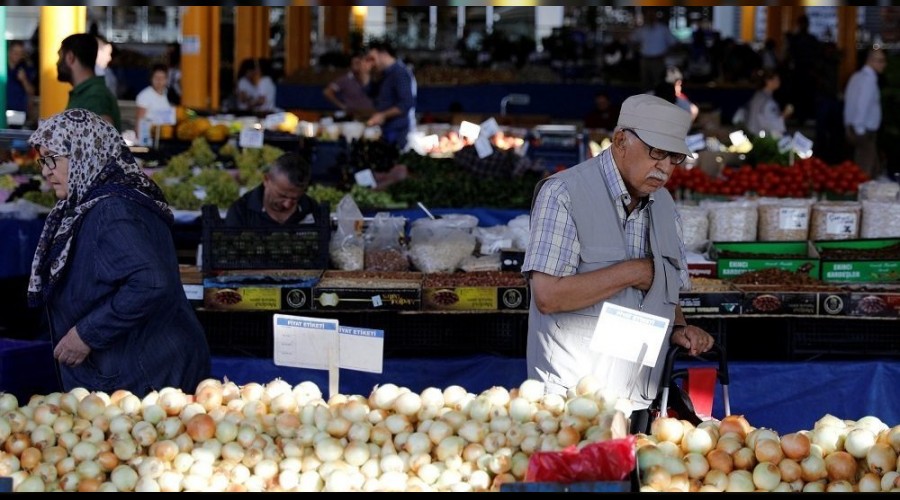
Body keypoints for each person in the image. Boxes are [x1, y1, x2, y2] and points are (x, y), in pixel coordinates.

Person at [521, 94, 715, 433]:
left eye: (674, 157)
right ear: (620, 140)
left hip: (639, 397)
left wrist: (680, 327)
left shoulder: (665, 205)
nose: (665, 167)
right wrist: (634, 271)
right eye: (656, 152)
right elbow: (548, 296)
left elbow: (666, 287)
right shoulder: (563, 193)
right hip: (572, 400)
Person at [27, 108, 210, 396]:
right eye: (43, 160)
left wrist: (85, 335)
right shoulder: (101, 201)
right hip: (138, 370)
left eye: (54, 158)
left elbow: (150, 282)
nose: (46, 169)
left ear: (83, 153)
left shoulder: (111, 210)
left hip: (146, 377)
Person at [225, 152, 323, 227]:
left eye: (295, 199)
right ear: (266, 180)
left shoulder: (312, 209)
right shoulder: (241, 212)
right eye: (282, 195)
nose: (287, 204)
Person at [56, 33, 121, 131]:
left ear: (70, 57)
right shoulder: (87, 93)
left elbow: (105, 137)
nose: (57, 63)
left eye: (60, 57)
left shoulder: (95, 96)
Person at [844, 47, 887, 180]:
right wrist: (860, 131)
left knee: (867, 168)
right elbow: (861, 106)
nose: (883, 65)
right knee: (865, 173)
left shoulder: (856, 77)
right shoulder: (868, 80)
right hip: (863, 131)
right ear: (871, 61)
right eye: (880, 61)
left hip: (853, 128)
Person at [366, 39, 417, 150]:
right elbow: (371, 94)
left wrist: (383, 115)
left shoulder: (399, 73)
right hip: (386, 130)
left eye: (372, 59)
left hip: (398, 132)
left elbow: (406, 103)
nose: (372, 63)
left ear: (383, 54)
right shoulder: (383, 74)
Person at [629, 8, 678, 91]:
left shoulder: (663, 29)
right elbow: (632, 39)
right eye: (648, 15)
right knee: (645, 84)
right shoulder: (642, 29)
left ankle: (659, 102)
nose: (650, 17)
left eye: (652, 15)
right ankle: (646, 102)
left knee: (659, 83)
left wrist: (666, 53)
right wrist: (636, 49)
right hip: (645, 60)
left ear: (656, 16)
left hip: (658, 60)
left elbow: (673, 43)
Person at [323, 50, 376, 120]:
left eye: (360, 63)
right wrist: (342, 106)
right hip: (353, 116)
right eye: (356, 63)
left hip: (372, 115)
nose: (358, 66)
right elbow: (327, 92)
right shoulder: (345, 79)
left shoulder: (373, 78)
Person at [744, 69, 792, 139]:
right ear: (768, 81)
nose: (779, 82)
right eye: (776, 79)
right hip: (761, 139)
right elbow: (772, 124)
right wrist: (784, 115)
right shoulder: (767, 100)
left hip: (752, 135)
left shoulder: (758, 95)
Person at [5, 41, 37, 120]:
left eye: (20, 53)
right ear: (9, 52)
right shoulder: (3, 67)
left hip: (19, 112)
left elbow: (31, 92)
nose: (17, 55)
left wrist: (24, 80)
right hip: (2, 110)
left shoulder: (25, 68)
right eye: (15, 52)